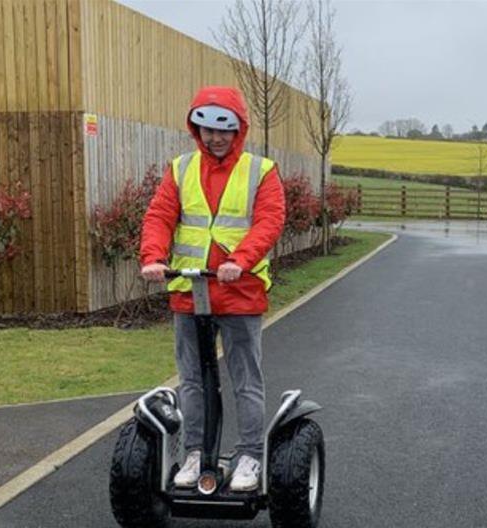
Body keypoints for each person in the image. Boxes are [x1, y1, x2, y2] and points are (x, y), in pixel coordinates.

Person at [140, 85, 286, 491]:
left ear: (238, 130)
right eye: (206, 129)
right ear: (196, 129)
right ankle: (193, 453)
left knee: (245, 378)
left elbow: (269, 222)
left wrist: (239, 260)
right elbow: (160, 214)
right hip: (190, 290)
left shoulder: (262, 171)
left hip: (240, 292)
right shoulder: (181, 168)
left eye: (224, 130)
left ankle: (250, 456)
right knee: (190, 378)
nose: (215, 138)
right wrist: (153, 256)